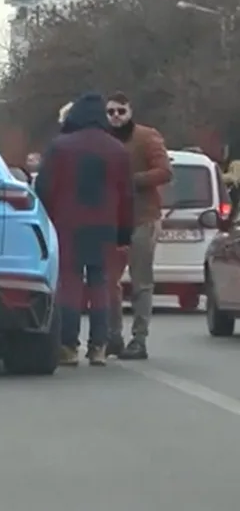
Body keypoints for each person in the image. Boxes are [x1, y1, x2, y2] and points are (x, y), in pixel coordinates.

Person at [35, 93, 134, 366]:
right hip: (105, 225)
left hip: (68, 224)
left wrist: (45, 222)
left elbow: (43, 188)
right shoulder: (118, 150)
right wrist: (124, 232)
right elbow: (127, 195)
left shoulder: (60, 147)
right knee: (100, 283)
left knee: (70, 284)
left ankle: (68, 345)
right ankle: (98, 346)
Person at [105, 91, 172, 360]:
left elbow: (165, 171)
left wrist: (132, 181)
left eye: (121, 111)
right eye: (110, 112)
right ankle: (113, 336)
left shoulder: (146, 137)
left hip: (143, 217)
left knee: (141, 280)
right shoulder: (103, 139)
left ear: (130, 111)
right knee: (109, 280)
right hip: (111, 217)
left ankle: (139, 338)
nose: (116, 117)